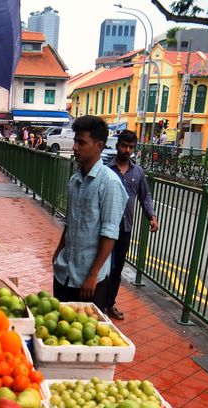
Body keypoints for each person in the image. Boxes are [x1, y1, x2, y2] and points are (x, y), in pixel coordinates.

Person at [52, 115, 128, 311]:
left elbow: (110, 233)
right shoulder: (75, 180)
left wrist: (93, 274)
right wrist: (59, 252)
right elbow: (70, 222)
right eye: (75, 141)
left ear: (99, 145)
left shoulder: (109, 183)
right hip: (64, 274)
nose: (75, 147)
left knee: (84, 337)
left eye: (81, 142)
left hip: (89, 281)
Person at [106, 129, 159, 319]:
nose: (127, 150)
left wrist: (151, 216)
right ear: (117, 145)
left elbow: (145, 197)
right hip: (105, 228)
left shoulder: (138, 172)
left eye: (131, 147)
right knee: (103, 266)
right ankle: (97, 303)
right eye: (124, 146)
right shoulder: (106, 170)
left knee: (117, 269)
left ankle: (109, 304)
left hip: (124, 228)